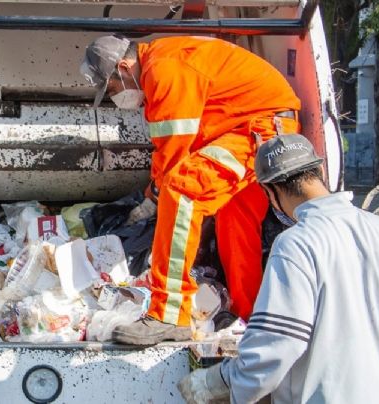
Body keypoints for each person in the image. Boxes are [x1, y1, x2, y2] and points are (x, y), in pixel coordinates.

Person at [80, 35, 301, 344]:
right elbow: (167, 149)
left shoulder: (164, 69)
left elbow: (174, 156)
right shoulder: (162, 63)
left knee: (183, 191)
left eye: (113, 88)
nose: (116, 96)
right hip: (259, 129)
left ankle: (170, 315)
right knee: (235, 224)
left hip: (258, 131)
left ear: (124, 67)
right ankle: (247, 317)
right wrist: (150, 197)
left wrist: (156, 200)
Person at [177, 134, 379, 403]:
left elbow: (275, 345)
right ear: (319, 171)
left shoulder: (296, 243)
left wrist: (214, 382)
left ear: (270, 192)